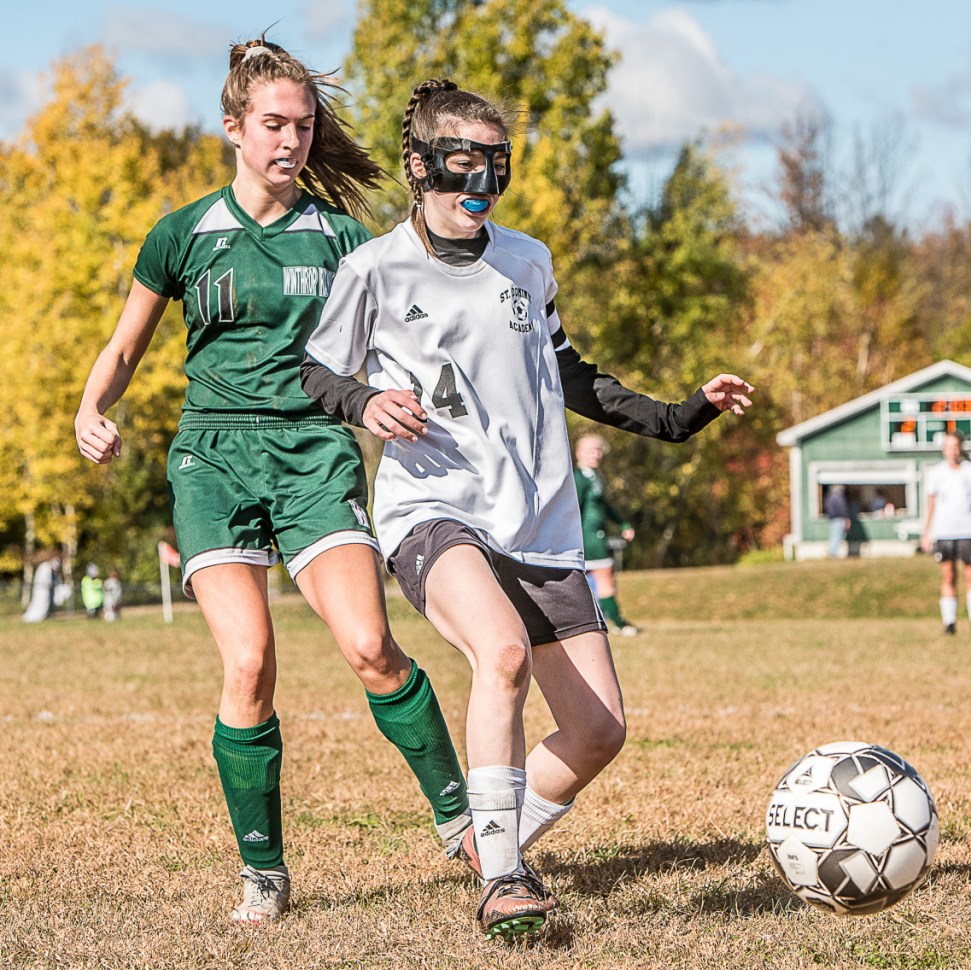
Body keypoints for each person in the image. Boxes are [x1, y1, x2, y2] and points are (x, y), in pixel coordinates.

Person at [301, 78, 754, 940]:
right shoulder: (371, 270)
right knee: (500, 653)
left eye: (494, 170)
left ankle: (491, 840)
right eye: (461, 167)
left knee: (598, 731)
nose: (479, 189)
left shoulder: (529, 260)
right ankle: (506, 879)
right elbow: (317, 370)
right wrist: (364, 405)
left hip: (538, 522)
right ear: (419, 166)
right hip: (431, 508)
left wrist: (677, 415)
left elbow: (569, 373)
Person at [74, 40, 469, 923]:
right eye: (274, 124)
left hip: (311, 453)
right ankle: (264, 870)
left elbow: (404, 332)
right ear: (234, 129)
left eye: (304, 125)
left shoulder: (338, 237)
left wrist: (385, 398)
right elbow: (127, 344)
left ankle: (463, 821)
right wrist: (91, 407)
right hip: (211, 456)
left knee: (370, 646)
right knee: (248, 661)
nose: (292, 139)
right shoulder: (183, 233)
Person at [920, 431, 971, 635]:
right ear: (944, 449)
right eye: (948, 446)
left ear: (961, 448)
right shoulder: (936, 473)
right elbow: (930, 505)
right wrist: (926, 533)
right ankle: (949, 624)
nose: (952, 451)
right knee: (949, 575)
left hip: (968, 530)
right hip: (944, 531)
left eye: (955, 446)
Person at [574, 433, 638, 636]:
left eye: (598, 450)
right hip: (588, 538)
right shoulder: (579, 478)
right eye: (590, 450)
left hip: (596, 535)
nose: (596, 454)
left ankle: (602, 622)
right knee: (604, 580)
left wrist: (622, 523)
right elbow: (574, 508)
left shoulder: (596, 476)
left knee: (597, 581)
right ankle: (618, 623)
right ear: (578, 453)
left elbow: (605, 506)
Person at [22, 552, 64, 623]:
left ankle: (46, 616)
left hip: (46, 591)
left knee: (47, 605)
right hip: (41, 591)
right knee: (40, 605)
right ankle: (36, 617)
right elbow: (45, 581)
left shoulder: (50, 570)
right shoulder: (45, 568)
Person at [824, 484, 850, 558]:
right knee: (837, 536)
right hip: (838, 519)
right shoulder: (838, 497)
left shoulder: (829, 497)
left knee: (833, 536)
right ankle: (833, 554)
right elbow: (842, 509)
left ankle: (832, 552)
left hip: (832, 519)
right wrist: (846, 517)